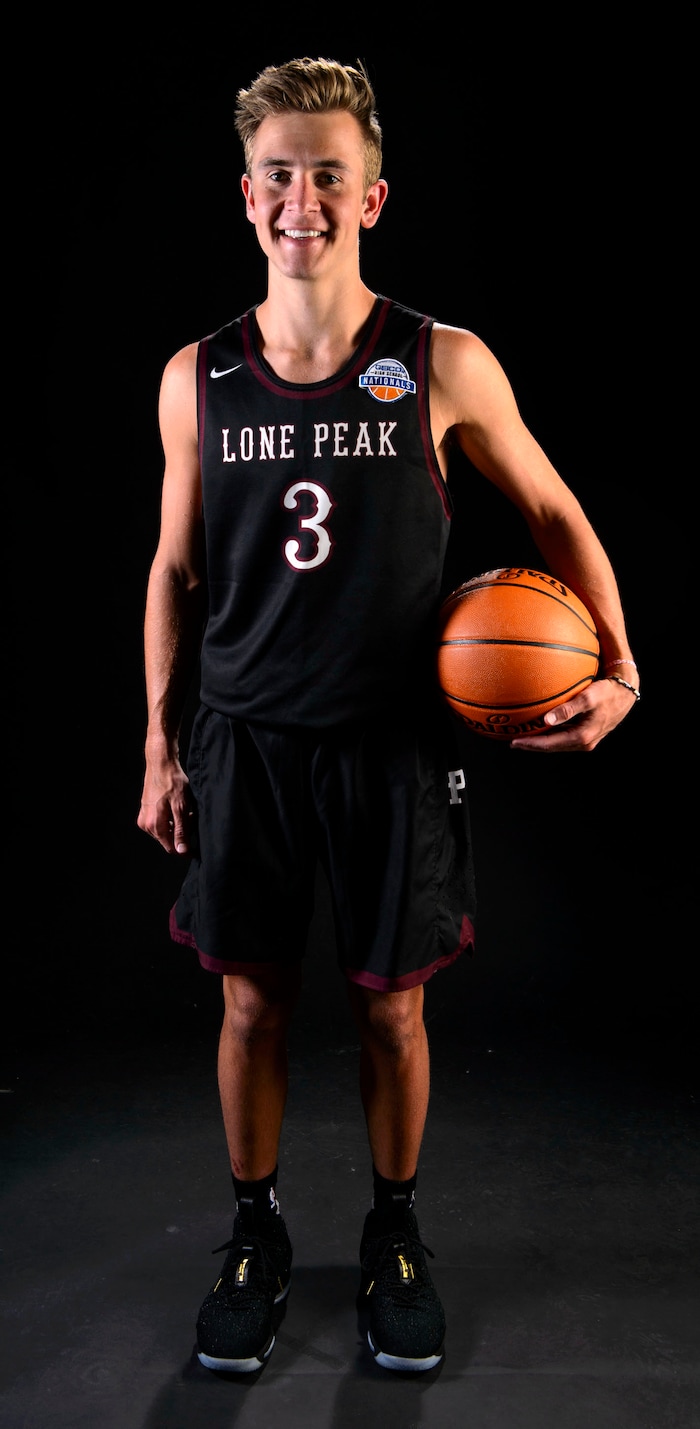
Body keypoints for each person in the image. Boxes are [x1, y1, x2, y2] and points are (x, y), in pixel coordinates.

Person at [137, 57, 640, 1376]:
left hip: (395, 748)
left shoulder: (443, 362)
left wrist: (624, 671)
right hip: (245, 736)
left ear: (372, 198)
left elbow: (557, 515)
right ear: (249, 197)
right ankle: (253, 1230)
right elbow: (174, 568)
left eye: (331, 176)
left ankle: (395, 1233)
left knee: (394, 1014)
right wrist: (155, 736)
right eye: (282, 175)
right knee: (249, 1007)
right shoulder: (199, 378)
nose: (304, 198)